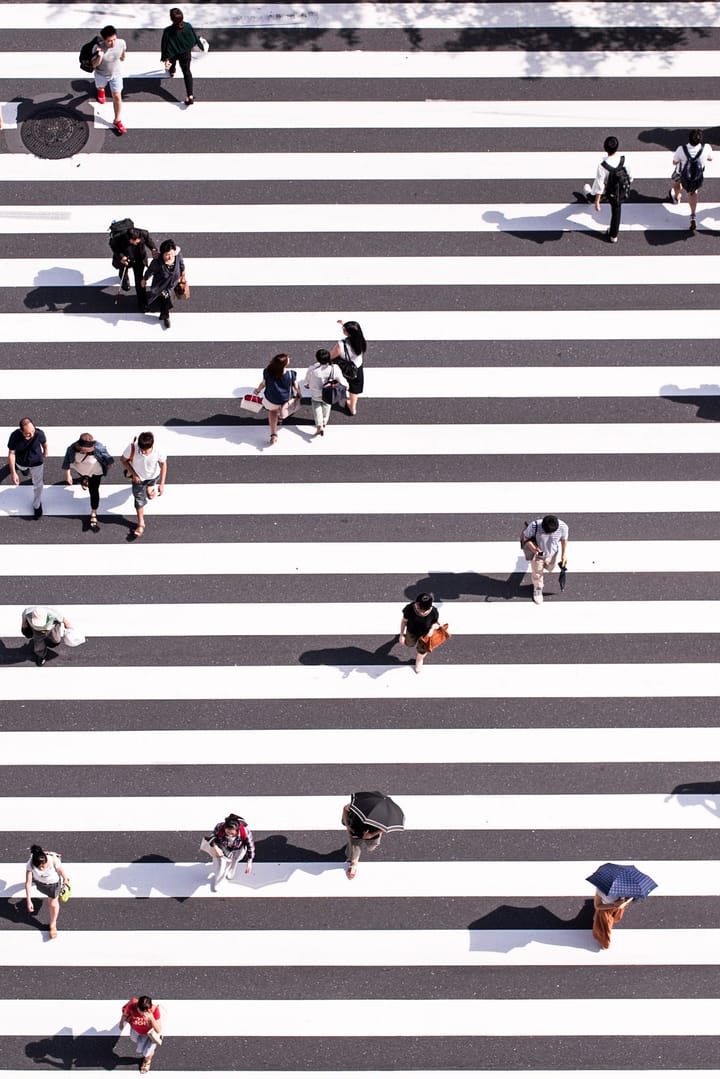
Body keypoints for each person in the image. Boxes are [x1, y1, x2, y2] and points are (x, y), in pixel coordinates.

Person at [583, 135, 631, 244]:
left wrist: (597, 202)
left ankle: (590, 197)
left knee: (596, 193)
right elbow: (630, 175)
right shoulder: (624, 159)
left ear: (605, 148)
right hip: (620, 191)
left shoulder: (603, 166)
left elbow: (600, 185)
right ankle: (613, 235)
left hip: (608, 191)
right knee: (616, 212)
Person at [119, 431, 167, 540]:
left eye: (146, 450)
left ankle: (150, 490)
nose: (144, 453)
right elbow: (123, 460)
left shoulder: (158, 450)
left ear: (152, 445)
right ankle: (141, 524)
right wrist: (134, 474)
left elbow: (164, 464)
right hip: (138, 479)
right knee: (139, 500)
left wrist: (162, 483)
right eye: (142, 450)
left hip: (154, 475)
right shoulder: (133, 448)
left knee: (150, 489)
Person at [62, 432, 114, 532]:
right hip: (81, 469)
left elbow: (108, 458)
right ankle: (84, 479)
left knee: (94, 491)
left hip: (95, 472)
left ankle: (93, 512)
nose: (84, 452)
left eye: (86, 451)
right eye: (82, 450)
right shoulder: (71, 449)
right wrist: (68, 475)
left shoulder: (98, 447)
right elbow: (66, 461)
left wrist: (108, 464)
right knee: (83, 475)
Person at [669, 129, 713, 232]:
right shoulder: (706, 148)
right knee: (692, 193)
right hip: (696, 176)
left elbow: (674, 162)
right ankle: (693, 215)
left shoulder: (681, 149)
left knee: (676, 183)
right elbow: (710, 159)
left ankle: (677, 197)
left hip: (681, 174)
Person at [254, 352, 302, 445]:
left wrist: (257, 390)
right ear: (285, 364)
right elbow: (296, 386)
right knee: (284, 409)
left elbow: (263, 383)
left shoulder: (267, 371)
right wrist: (299, 394)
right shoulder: (291, 374)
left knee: (272, 412)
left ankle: (273, 434)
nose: (289, 359)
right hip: (285, 398)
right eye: (288, 358)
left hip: (271, 398)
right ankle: (280, 417)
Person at [521, 514, 569, 604]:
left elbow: (564, 540)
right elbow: (526, 537)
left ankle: (541, 569)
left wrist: (563, 554)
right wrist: (534, 550)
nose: (547, 534)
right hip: (538, 554)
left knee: (550, 568)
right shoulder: (534, 525)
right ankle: (538, 588)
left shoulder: (563, 527)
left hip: (552, 553)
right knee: (538, 572)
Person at [161, 7, 204, 106]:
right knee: (187, 72)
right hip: (185, 53)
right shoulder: (188, 26)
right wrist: (201, 45)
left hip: (173, 53)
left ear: (171, 19)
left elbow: (165, 46)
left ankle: (172, 71)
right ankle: (190, 95)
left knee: (172, 64)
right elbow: (193, 38)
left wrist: (165, 58)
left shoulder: (167, 31)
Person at [25, 844, 70, 939]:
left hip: (53, 884)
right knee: (51, 901)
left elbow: (60, 870)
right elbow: (28, 882)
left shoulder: (53, 860)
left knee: (53, 903)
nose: (42, 869)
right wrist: (28, 900)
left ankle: (53, 925)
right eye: (39, 867)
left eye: (44, 866)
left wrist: (65, 878)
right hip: (40, 883)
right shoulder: (30, 863)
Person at [7, 417, 48, 519]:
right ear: (21, 431)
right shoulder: (15, 436)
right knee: (24, 471)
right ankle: (23, 471)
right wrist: (13, 473)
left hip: (37, 463)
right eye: (27, 433)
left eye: (32, 431)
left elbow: (44, 443)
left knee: (38, 485)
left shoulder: (39, 433)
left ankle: (37, 505)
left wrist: (46, 450)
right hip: (21, 462)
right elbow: (11, 453)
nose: (31, 435)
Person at [91, 24, 127, 135]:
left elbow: (122, 53)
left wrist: (123, 56)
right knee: (100, 86)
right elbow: (93, 65)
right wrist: (100, 56)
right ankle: (101, 90)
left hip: (116, 74)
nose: (113, 43)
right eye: (109, 41)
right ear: (103, 40)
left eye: (114, 39)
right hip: (101, 74)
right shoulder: (97, 48)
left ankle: (117, 120)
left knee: (117, 97)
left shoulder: (121, 43)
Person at [141, 239, 186, 329]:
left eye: (171, 254)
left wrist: (183, 274)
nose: (169, 257)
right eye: (167, 254)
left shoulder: (177, 256)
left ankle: (163, 313)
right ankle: (165, 316)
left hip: (172, 285)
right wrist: (144, 279)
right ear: (162, 254)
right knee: (165, 298)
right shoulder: (157, 263)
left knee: (166, 298)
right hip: (160, 286)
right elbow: (150, 271)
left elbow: (181, 264)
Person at [110, 226, 159, 308]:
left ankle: (142, 302)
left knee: (139, 280)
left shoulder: (144, 233)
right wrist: (121, 256)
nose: (136, 243)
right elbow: (114, 247)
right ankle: (124, 278)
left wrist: (153, 249)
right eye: (133, 242)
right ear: (128, 238)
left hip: (139, 260)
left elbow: (149, 242)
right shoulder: (120, 237)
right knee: (123, 270)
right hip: (126, 258)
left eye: (137, 241)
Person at [205, 812, 255, 891]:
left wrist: (249, 862)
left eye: (232, 833)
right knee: (221, 865)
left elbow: (250, 846)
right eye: (227, 832)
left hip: (238, 849)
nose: (229, 835)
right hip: (224, 848)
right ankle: (218, 882)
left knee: (234, 861)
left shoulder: (245, 832)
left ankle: (231, 870)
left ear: (237, 830)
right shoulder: (220, 827)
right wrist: (216, 848)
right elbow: (212, 837)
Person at [304, 348, 347, 436]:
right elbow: (342, 380)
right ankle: (324, 420)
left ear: (317, 359)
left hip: (316, 392)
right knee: (327, 404)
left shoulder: (312, 369)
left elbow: (306, 382)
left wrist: (307, 385)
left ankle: (319, 425)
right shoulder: (334, 368)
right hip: (329, 393)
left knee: (316, 406)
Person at [330, 319, 366, 416]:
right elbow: (354, 331)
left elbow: (332, 356)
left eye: (344, 329)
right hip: (356, 367)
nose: (343, 329)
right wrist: (344, 324)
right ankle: (352, 407)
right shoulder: (361, 341)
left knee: (337, 381)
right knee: (355, 387)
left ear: (348, 333)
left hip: (343, 367)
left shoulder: (341, 344)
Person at [119, 995, 163, 1073]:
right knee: (137, 1043)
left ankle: (147, 1061)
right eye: (140, 1011)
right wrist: (121, 1023)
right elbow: (125, 1014)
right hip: (136, 1031)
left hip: (150, 1035)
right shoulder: (132, 1006)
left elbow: (158, 1030)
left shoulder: (154, 1010)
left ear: (149, 1009)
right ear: (137, 1006)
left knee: (147, 1052)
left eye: (144, 1012)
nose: (142, 1014)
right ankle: (148, 1054)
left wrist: (151, 1018)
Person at [399, 591, 440, 674]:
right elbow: (404, 621)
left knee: (422, 649)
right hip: (411, 631)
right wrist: (401, 635)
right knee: (409, 644)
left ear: (429, 608)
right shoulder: (410, 608)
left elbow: (435, 623)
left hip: (425, 635)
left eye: (419, 609)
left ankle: (419, 660)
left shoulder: (434, 612)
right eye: (416, 606)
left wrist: (432, 629)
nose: (416, 608)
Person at [342, 802, 382, 880]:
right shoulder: (357, 805)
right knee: (354, 847)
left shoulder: (381, 814)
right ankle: (353, 864)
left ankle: (374, 840)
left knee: (371, 847)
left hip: (372, 833)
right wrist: (347, 826)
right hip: (356, 830)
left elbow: (384, 828)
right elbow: (345, 808)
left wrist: (372, 835)